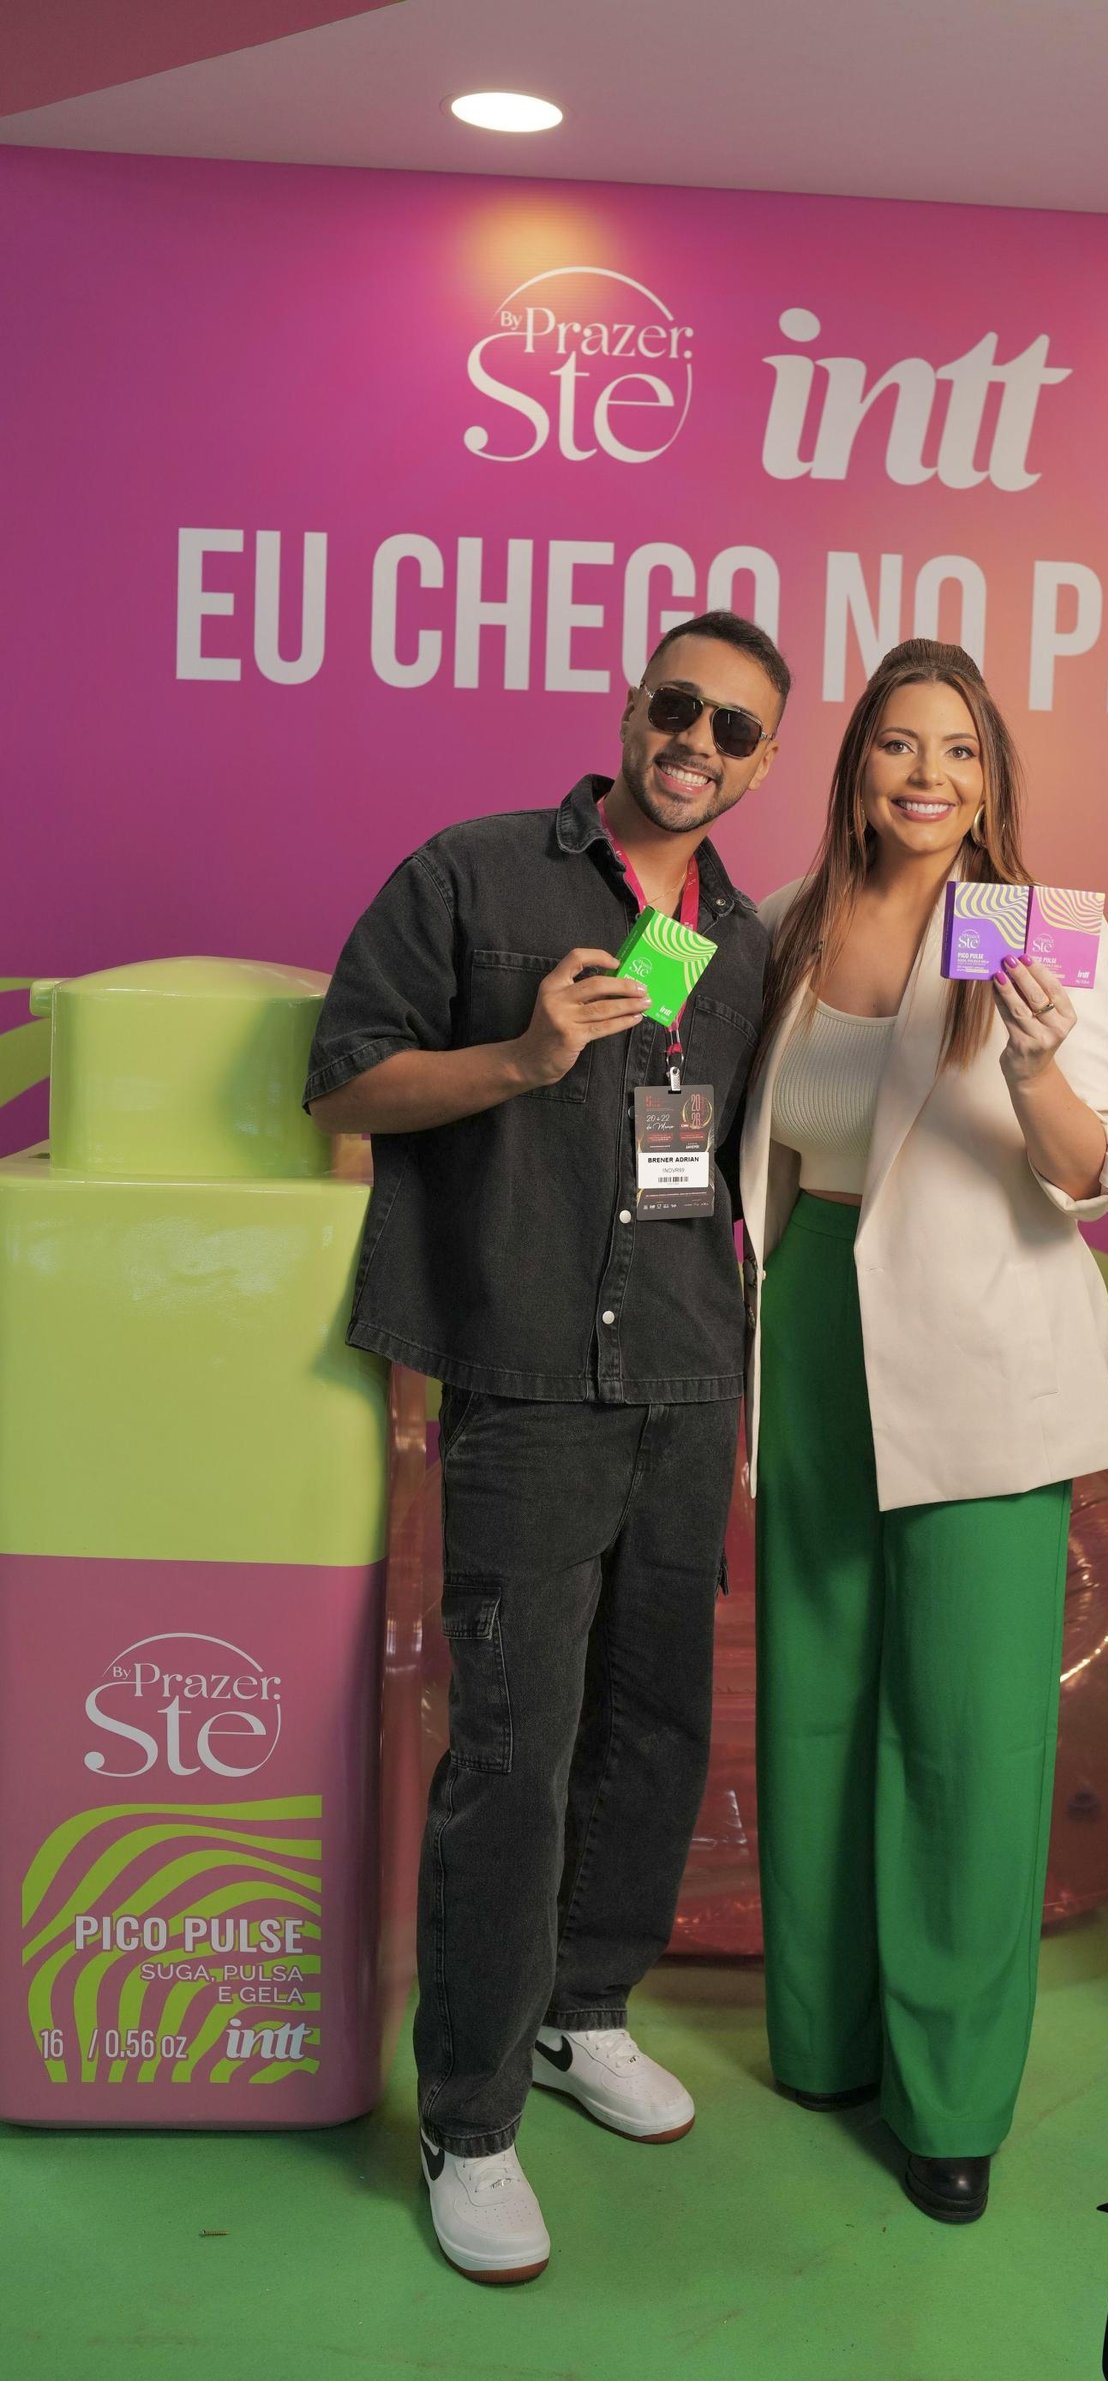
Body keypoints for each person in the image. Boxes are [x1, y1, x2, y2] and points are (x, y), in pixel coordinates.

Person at [303, 611, 787, 2283]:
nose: (698, 743)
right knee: (514, 1750)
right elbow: (343, 1085)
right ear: (632, 708)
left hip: (685, 1379)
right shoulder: (477, 871)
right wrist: (523, 1056)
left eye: (735, 728)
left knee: (655, 1729)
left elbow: (733, 1164)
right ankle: (470, 2114)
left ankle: (586, 2014)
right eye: (680, 707)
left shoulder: (743, 939)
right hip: (524, 1379)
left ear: (761, 766)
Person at [740, 638, 1108, 2225]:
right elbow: (727, 1130)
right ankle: (826, 2038)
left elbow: (1094, 1167)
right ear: (855, 767)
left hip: (981, 1350)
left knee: (969, 1734)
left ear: (992, 784)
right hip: (813, 1324)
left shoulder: (1043, 931)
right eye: (900, 746)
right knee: (818, 1700)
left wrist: (1037, 1064)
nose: (929, 776)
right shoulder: (779, 921)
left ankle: (952, 2099)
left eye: (960, 752)